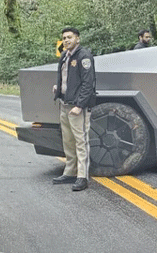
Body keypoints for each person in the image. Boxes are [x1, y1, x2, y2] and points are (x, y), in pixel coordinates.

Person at [52, 27, 97, 191]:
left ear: (77, 39)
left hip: (77, 107)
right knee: (68, 141)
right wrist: (59, 88)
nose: (66, 40)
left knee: (81, 141)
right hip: (65, 104)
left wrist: (80, 106)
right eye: (64, 38)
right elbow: (67, 78)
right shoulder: (65, 56)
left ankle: (82, 177)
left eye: (69, 37)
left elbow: (88, 84)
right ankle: (70, 172)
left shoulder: (84, 56)